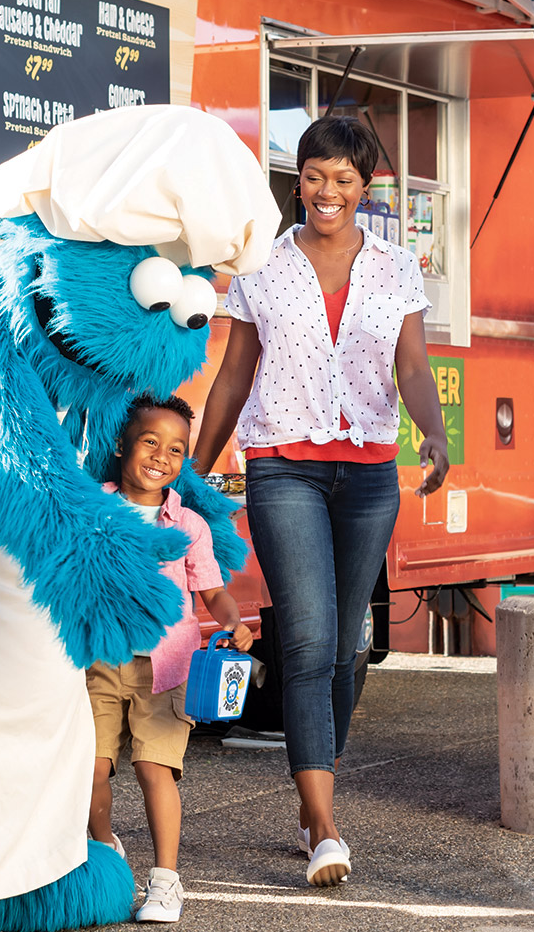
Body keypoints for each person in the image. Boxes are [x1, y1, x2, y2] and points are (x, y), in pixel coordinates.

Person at [192, 116, 450, 888]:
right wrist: (197, 470)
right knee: (304, 640)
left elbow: (411, 366)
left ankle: (317, 782)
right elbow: (234, 375)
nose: (326, 192)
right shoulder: (259, 267)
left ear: (364, 186)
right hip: (283, 469)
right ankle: (324, 826)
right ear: (296, 178)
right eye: (313, 176)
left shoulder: (398, 268)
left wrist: (432, 433)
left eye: (342, 178)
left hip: (369, 472)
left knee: (347, 641)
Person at [86, 396, 255, 922]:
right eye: (150, 442)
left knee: (154, 768)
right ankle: (105, 849)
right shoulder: (96, 507)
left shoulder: (187, 525)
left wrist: (233, 621)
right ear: (121, 445)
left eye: (177, 449)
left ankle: (165, 880)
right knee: (87, 771)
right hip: (100, 661)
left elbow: (212, 590)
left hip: (167, 668)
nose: (162, 456)